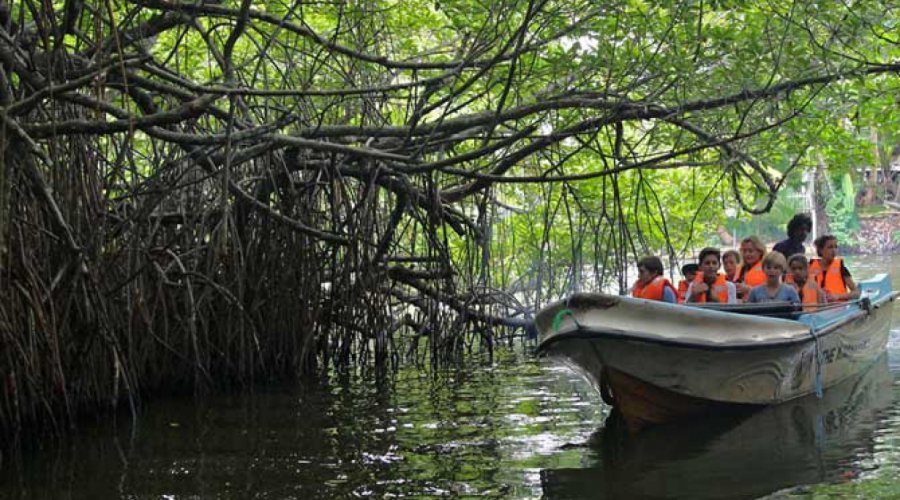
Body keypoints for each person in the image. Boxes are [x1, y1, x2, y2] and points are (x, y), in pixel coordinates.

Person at [810, 235, 860, 302]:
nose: (834, 250)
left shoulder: (841, 268)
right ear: (821, 250)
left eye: (835, 247)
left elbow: (856, 293)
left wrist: (838, 296)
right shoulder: (809, 267)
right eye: (830, 247)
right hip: (815, 306)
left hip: (838, 306)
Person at [734, 235, 767, 300]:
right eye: (744, 251)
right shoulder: (740, 269)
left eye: (750, 251)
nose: (747, 254)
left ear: (760, 252)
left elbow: (773, 293)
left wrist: (749, 289)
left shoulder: (768, 268)